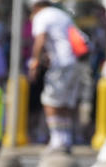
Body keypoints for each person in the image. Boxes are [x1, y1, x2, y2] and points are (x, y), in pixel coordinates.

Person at [28, 1, 80, 152]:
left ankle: (57, 138)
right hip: (73, 61)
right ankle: (66, 138)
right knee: (64, 102)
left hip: (60, 64)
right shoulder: (62, 15)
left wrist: (34, 62)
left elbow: (40, 39)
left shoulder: (42, 16)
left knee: (49, 100)